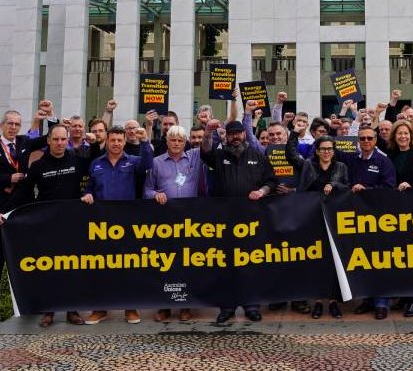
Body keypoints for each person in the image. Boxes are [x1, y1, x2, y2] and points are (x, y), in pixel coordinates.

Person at [0, 108, 50, 329]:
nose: (13, 127)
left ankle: (33, 305)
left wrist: (49, 117)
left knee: (30, 259)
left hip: (23, 208)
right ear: (2, 125)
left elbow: (48, 138)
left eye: (17, 124)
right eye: (10, 123)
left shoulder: (24, 142)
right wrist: (7, 178)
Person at [201, 119, 277, 324]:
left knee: (250, 263)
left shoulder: (257, 155)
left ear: (244, 134)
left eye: (238, 133)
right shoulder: (219, 155)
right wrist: (207, 132)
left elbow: (271, 180)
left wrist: (262, 191)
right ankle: (227, 307)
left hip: (251, 220)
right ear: (226, 136)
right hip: (224, 220)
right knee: (226, 265)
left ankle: (251, 306)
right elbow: (205, 151)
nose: (235, 137)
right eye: (231, 133)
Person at [14, 123, 89, 327]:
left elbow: (96, 176)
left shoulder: (77, 162)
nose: (59, 143)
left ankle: (72, 310)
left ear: (68, 140)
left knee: (72, 267)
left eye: (63, 139)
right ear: (48, 141)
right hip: (46, 225)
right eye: (55, 139)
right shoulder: (38, 166)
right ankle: (49, 311)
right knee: (49, 267)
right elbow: (23, 194)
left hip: (71, 223)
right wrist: (8, 214)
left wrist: (89, 193)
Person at [81, 125, 154, 325]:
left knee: (128, 266)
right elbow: (90, 187)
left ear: (124, 142)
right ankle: (100, 308)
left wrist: (145, 141)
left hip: (127, 223)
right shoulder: (96, 163)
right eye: (112, 140)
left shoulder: (133, 161)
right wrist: (88, 195)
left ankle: (130, 307)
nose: (116, 144)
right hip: (102, 224)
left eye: (119, 140)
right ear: (107, 141)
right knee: (102, 266)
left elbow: (148, 164)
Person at [144, 125, 206, 322]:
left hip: (189, 221)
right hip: (166, 221)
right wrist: (155, 194)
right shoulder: (156, 162)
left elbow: (208, 143)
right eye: (173, 140)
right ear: (167, 141)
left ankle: (185, 305)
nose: (177, 143)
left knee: (188, 263)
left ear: (185, 142)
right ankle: (164, 306)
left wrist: (211, 126)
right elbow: (146, 190)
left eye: (180, 140)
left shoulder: (195, 157)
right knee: (166, 263)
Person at [347, 125, 396, 319]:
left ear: (376, 141)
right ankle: (367, 299)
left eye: (369, 138)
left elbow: (389, 188)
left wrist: (366, 190)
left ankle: (381, 302)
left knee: (380, 260)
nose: (366, 141)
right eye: (362, 138)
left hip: (379, 218)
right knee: (362, 260)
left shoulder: (384, 161)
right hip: (357, 218)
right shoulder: (353, 161)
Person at [297, 136, 349, 319]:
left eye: (330, 149)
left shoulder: (341, 167)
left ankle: (334, 301)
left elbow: (347, 188)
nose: (326, 152)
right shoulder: (308, 166)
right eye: (323, 149)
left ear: (334, 151)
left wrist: (334, 185)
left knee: (334, 260)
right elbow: (302, 189)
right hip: (314, 217)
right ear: (317, 151)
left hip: (334, 218)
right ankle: (318, 301)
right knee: (317, 259)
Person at [386, 120, 413, 317]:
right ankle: (404, 296)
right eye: (399, 133)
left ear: (411, 136)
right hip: (394, 211)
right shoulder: (390, 155)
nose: (402, 136)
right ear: (394, 136)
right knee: (399, 255)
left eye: (406, 133)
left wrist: (410, 187)